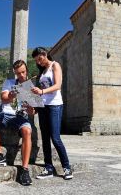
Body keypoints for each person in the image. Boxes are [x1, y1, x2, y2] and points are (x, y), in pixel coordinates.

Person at [0, 59, 35, 186]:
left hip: (21, 118)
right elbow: (4, 99)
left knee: (27, 131)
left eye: (23, 72)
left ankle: (25, 170)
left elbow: (33, 111)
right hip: (5, 115)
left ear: (26, 70)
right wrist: (13, 93)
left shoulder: (31, 87)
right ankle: (0, 156)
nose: (21, 75)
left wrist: (31, 109)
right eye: (18, 73)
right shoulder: (9, 82)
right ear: (15, 73)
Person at [31, 47, 73, 180]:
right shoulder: (41, 72)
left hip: (55, 105)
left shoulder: (55, 65)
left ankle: (67, 167)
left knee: (55, 138)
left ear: (45, 54)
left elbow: (58, 85)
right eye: (36, 61)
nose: (38, 62)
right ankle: (48, 168)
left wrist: (42, 91)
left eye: (39, 59)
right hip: (43, 106)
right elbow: (41, 91)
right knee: (45, 139)